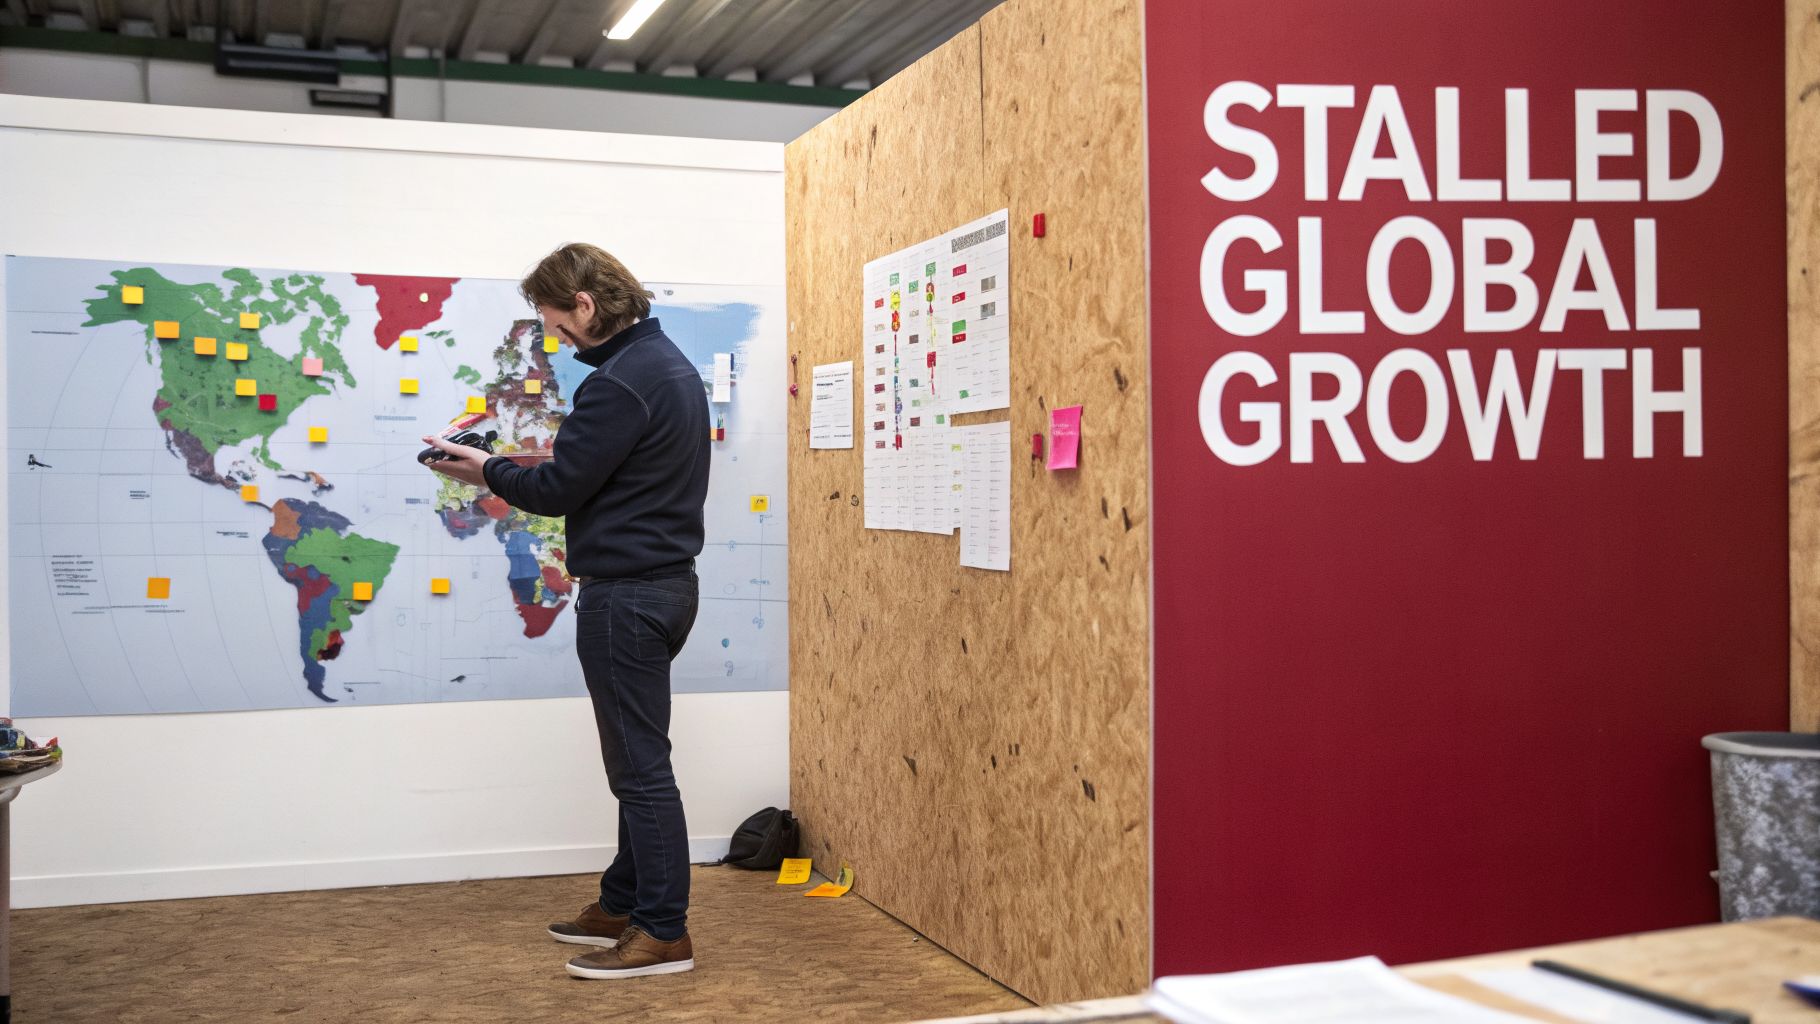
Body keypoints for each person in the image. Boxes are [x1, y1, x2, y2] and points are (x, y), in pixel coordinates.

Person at [421, 243, 709, 980]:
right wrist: (511, 464)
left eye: (554, 322)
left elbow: (559, 492)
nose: (554, 338)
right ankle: (622, 901)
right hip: (667, 586)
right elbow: (605, 473)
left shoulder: (619, 384)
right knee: (635, 759)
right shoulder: (666, 365)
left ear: (585, 304)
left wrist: (486, 467)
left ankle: (663, 932)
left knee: (640, 770)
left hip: (626, 596)